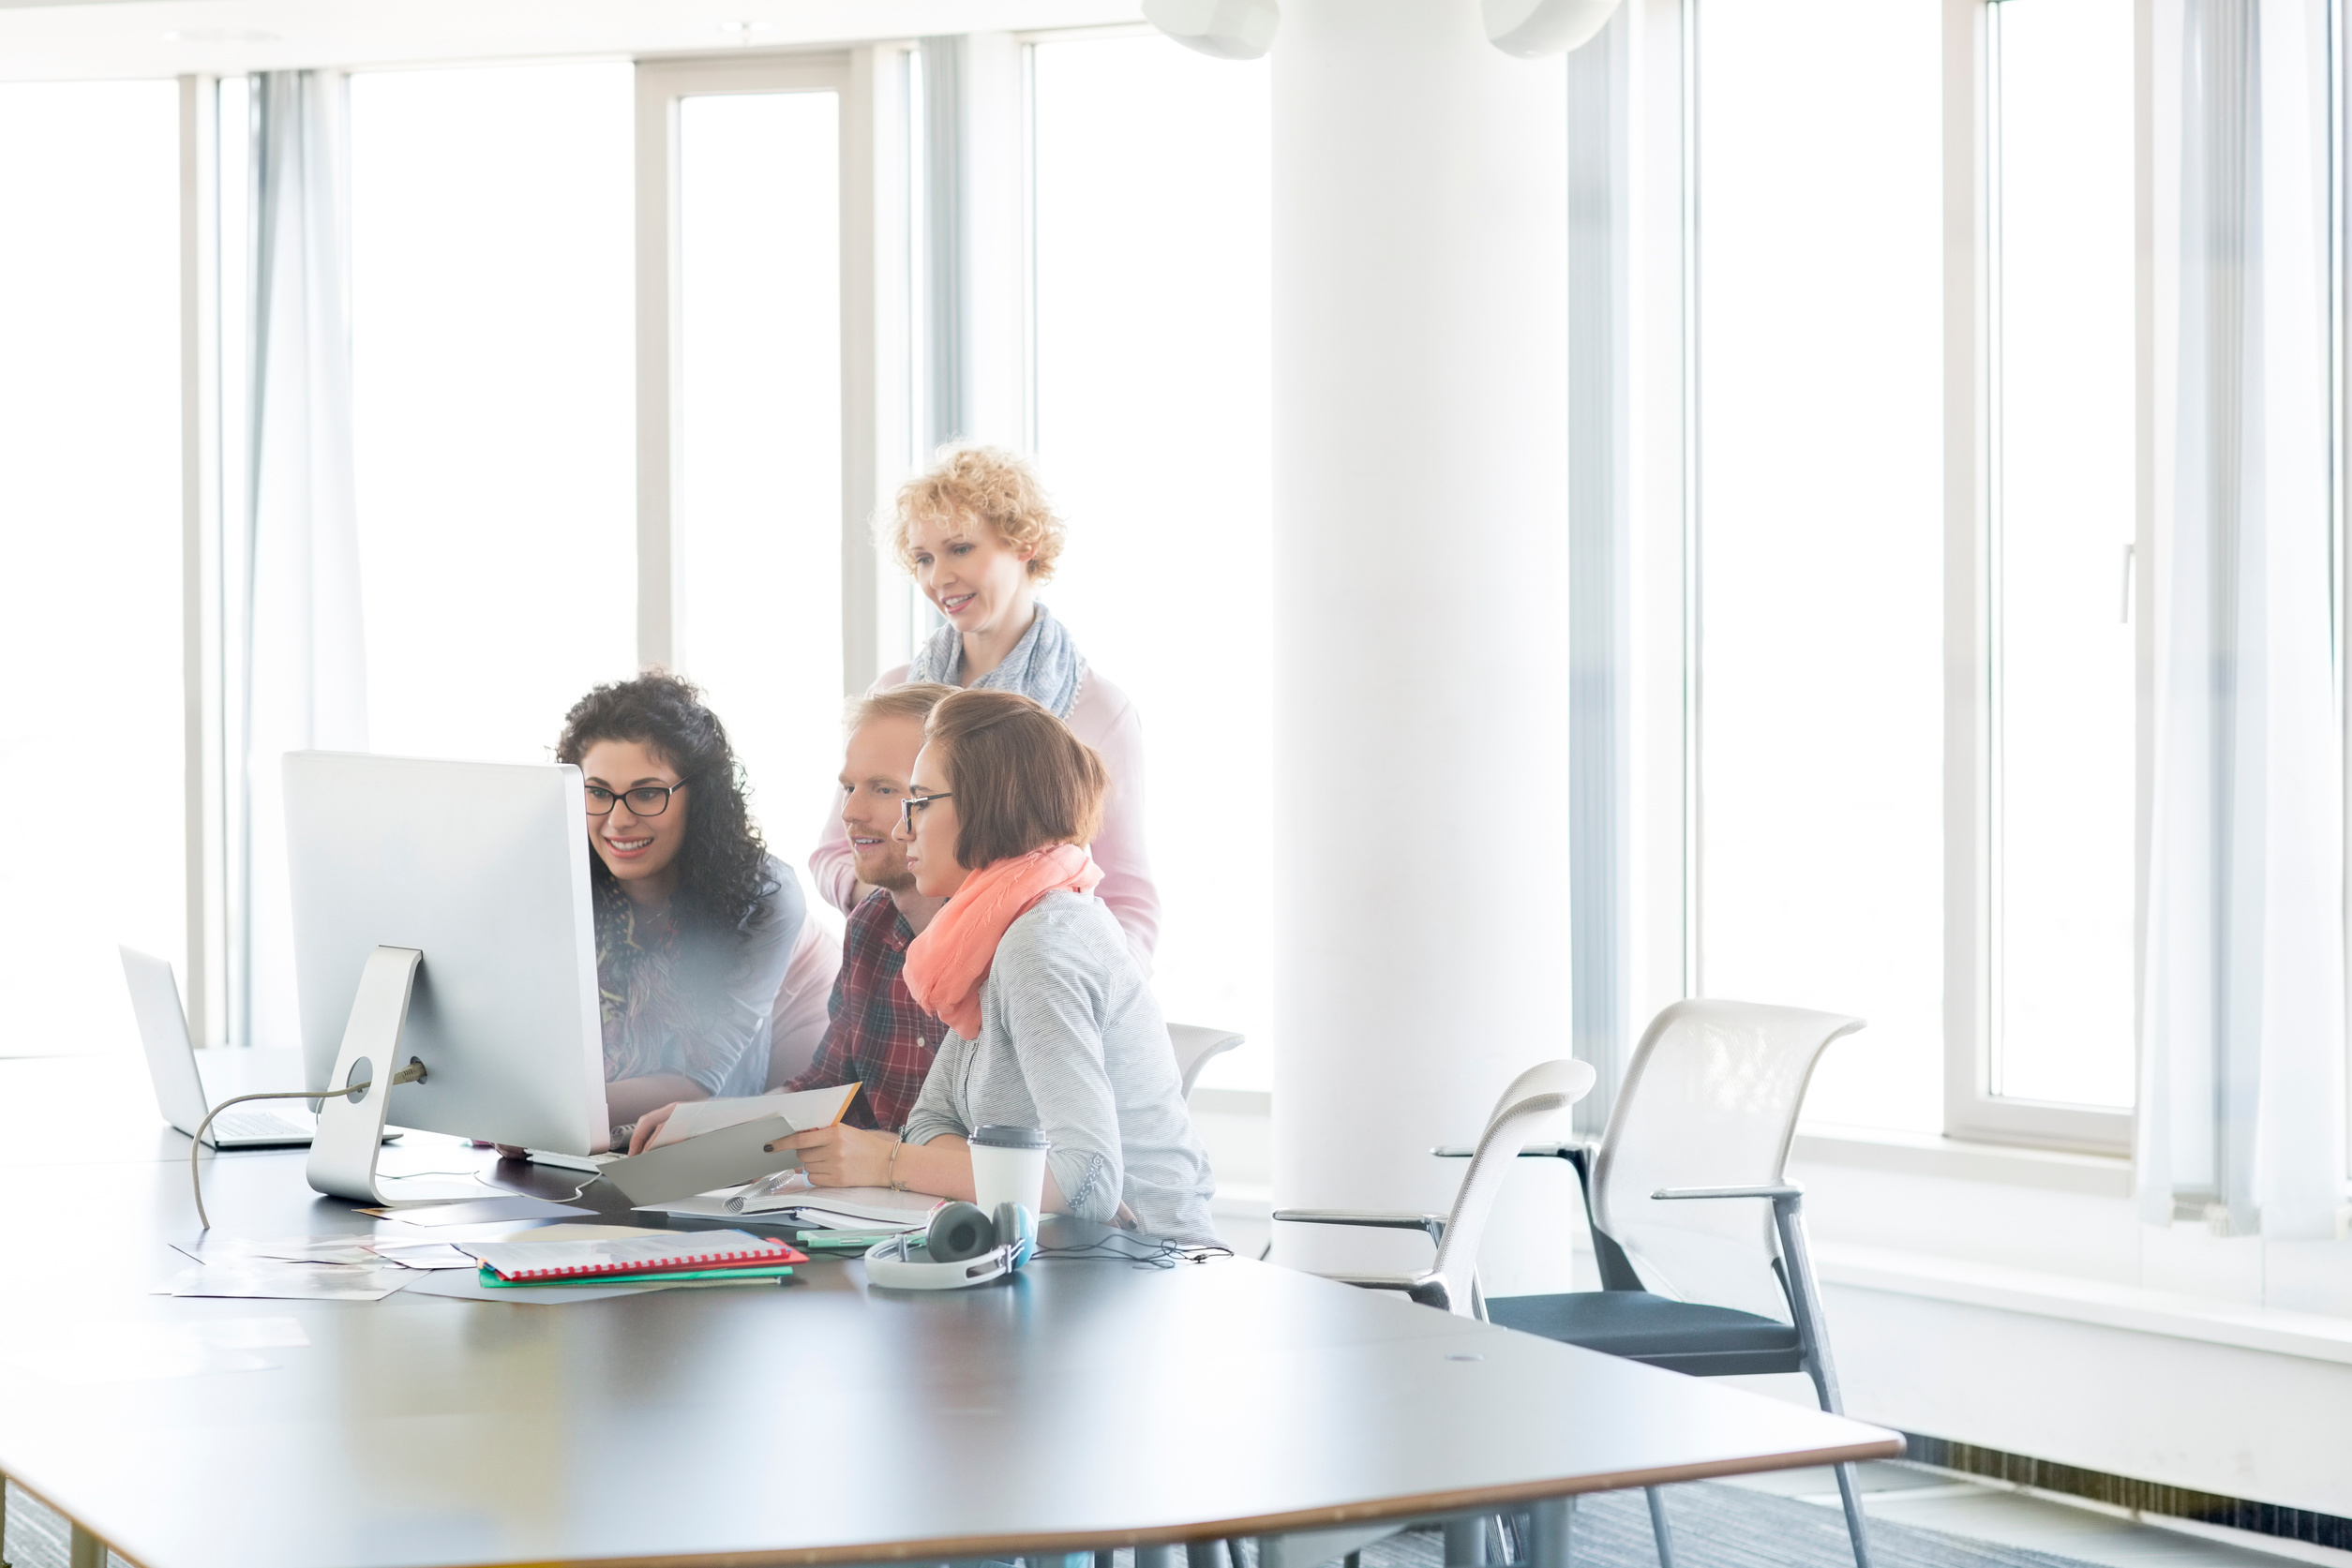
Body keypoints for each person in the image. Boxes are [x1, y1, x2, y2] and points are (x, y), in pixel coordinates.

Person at [781, 688, 1216, 1244]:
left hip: (1151, 1268)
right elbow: (930, 1121)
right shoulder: (989, 931)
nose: (901, 829)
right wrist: (975, 1167)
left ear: (986, 806)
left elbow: (1087, 1181)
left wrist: (890, 1161)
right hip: (1065, 1256)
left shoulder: (1042, 942)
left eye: (920, 801)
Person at [809, 445, 1161, 970]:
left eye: (960, 549)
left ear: (1026, 544)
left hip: (1030, 988)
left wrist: (1093, 990)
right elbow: (833, 853)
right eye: (924, 558)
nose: (938, 578)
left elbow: (1130, 903)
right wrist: (897, 900)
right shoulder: (894, 693)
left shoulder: (1097, 711)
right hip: (900, 979)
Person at [631, 683, 958, 1151]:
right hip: (870, 1212)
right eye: (849, 787)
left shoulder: (1013, 944)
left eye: (884, 789)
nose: (850, 812)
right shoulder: (871, 925)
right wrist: (708, 1123)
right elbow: (825, 1088)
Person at [555, 672, 804, 1142]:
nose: (618, 820)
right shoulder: (551, 880)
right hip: (562, 1146)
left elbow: (696, 1082)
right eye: (597, 792)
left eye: (648, 793)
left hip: (699, 1156)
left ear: (699, 798)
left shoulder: (764, 897)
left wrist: (546, 1110)